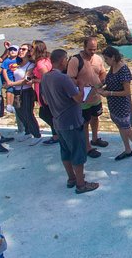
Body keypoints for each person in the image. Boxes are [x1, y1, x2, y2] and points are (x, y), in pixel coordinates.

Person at [40, 49, 99, 194]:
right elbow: (79, 98)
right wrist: (80, 85)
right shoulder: (63, 78)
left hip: (58, 121)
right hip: (72, 121)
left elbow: (46, 101)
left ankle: (71, 178)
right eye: (66, 60)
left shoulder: (45, 77)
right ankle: (81, 184)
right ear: (62, 61)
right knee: (78, 153)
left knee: (65, 152)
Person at [96, 46, 132, 168]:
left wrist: (109, 93)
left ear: (113, 57)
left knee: (128, 130)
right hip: (113, 104)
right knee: (121, 127)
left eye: (106, 59)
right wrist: (101, 86)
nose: (105, 62)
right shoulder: (113, 67)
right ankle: (127, 149)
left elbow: (127, 92)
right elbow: (110, 82)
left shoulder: (123, 70)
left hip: (122, 106)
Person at [66, 36, 108, 159]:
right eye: (90, 49)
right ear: (84, 47)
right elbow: (70, 78)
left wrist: (101, 82)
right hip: (83, 99)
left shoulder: (98, 59)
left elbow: (102, 72)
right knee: (85, 122)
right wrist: (80, 85)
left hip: (96, 96)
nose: (92, 52)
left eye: (95, 49)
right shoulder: (75, 60)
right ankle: (87, 146)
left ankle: (95, 138)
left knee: (95, 118)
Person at [11, 43, 41, 145]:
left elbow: (26, 80)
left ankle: (36, 134)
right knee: (20, 113)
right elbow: (6, 62)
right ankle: (28, 132)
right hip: (17, 91)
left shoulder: (31, 65)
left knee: (28, 113)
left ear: (29, 52)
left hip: (26, 91)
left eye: (23, 49)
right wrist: (7, 49)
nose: (20, 51)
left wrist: (10, 84)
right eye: (20, 49)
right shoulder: (17, 65)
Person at [32, 40, 58, 145]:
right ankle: (56, 134)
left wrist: (34, 80)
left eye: (32, 48)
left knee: (45, 114)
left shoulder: (40, 64)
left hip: (44, 91)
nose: (30, 50)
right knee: (50, 113)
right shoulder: (47, 59)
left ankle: (57, 135)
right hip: (49, 90)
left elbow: (47, 78)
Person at [0, 45, 19, 116]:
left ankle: (12, 105)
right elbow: (4, 71)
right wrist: (7, 80)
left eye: (14, 50)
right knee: (9, 91)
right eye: (11, 50)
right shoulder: (7, 61)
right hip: (9, 78)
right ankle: (8, 105)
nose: (12, 51)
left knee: (13, 91)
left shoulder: (19, 60)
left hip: (15, 78)